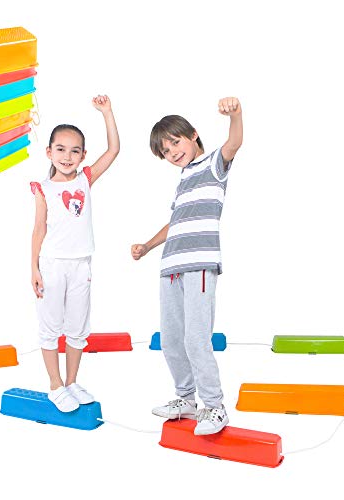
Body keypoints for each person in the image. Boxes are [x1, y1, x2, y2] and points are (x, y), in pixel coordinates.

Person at [131, 97, 242, 435]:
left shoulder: (213, 165)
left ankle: (215, 406)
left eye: (175, 142)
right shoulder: (183, 180)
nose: (172, 152)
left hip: (199, 266)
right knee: (171, 340)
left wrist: (236, 115)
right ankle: (186, 399)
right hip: (171, 267)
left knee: (196, 338)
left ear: (193, 135)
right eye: (165, 151)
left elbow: (234, 142)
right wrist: (147, 246)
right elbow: (175, 223)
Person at [30, 95, 119, 412]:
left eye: (74, 151)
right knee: (50, 327)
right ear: (49, 152)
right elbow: (38, 229)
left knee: (78, 328)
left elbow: (113, 150)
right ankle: (55, 385)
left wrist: (107, 113)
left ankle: (71, 382)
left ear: (83, 155)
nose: (67, 156)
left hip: (82, 264)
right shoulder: (43, 188)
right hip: (52, 265)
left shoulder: (85, 179)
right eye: (61, 149)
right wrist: (34, 269)